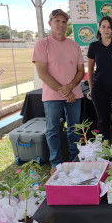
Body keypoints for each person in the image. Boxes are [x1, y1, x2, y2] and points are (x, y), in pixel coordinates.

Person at [33, 9, 84, 174]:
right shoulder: (42, 44)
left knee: (74, 128)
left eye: (64, 22)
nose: (61, 25)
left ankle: (75, 158)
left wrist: (70, 88)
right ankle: (56, 163)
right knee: (53, 129)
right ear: (50, 23)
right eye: (57, 21)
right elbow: (42, 73)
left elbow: (80, 70)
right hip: (52, 96)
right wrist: (65, 92)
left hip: (74, 94)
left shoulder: (74, 45)